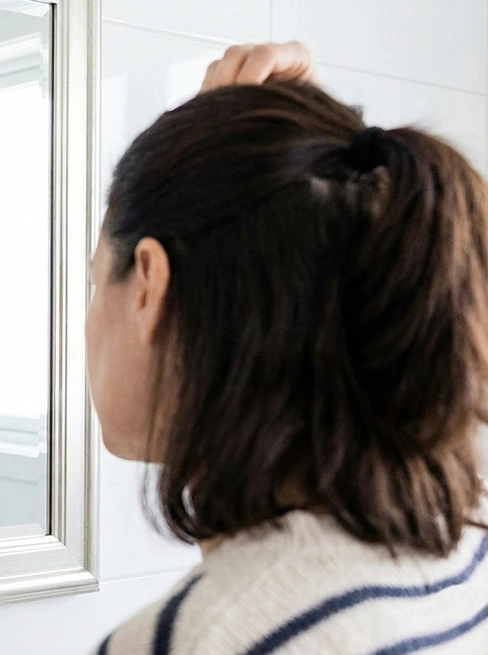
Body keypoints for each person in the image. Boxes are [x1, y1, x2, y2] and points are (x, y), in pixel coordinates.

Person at [92, 43, 488, 653]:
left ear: (147, 284)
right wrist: (278, 197)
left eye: (95, 282)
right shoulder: (460, 536)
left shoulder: (195, 639)